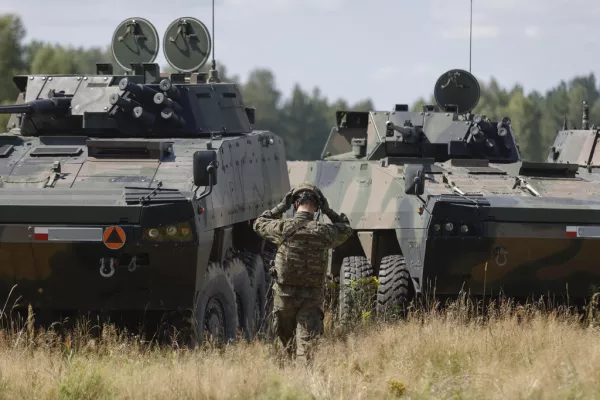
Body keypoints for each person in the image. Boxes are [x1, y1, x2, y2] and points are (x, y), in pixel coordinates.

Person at [253, 182, 353, 363]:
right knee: (307, 351)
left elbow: (259, 223)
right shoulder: (324, 232)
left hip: (284, 296)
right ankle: (305, 383)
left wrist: (281, 206)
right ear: (316, 206)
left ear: (296, 204)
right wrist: (328, 210)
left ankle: (289, 380)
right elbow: (346, 228)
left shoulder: (282, 228)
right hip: (312, 298)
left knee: (287, 346)